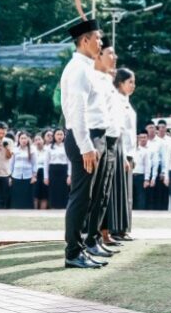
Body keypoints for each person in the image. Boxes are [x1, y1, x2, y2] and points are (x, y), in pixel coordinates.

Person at [60, 18, 108, 269]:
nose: (101, 42)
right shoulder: (78, 68)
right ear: (85, 40)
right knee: (80, 198)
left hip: (90, 138)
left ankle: (81, 249)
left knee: (88, 198)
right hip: (83, 139)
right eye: (98, 38)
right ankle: (72, 253)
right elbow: (77, 113)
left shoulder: (86, 66)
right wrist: (87, 146)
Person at [85, 35, 121, 257]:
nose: (114, 57)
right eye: (110, 53)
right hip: (100, 138)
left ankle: (95, 236)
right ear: (99, 56)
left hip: (111, 139)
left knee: (104, 193)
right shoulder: (93, 78)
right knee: (95, 193)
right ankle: (88, 239)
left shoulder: (107, 80)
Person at [105, 67, 135, 243]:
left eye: (133, 82)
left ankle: (123, 228)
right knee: (118, 192)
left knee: (127, 194)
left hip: (128, 151)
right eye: (129, 82)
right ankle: (116, 228)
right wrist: (123, 156)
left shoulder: (126, 100)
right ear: (119, 83)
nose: (133, 85)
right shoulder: (116, 100)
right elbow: (118, 130)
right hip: (119, 149)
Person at [45, 129, 71, 209]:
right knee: (53, 190)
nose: (59, 136)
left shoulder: (67, 146)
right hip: (53, 170)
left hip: (63, 170)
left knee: (64, 190)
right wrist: (46, 177)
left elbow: (70, 162)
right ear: (54, 136)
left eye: (61, 134)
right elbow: (46, 163)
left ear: (64, 136)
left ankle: (64, 207)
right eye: (57, 134)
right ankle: (53, 207)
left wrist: (69, 175)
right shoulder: (49, 147)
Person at [9, 132, 36, 209]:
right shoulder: (15, 150)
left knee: (27, 196)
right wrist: (10, 177)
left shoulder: (32, 150)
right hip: (16, 176)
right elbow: (11, 164)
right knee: (17, 195)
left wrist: (34, 176)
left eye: (25, 138)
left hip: (28, 176)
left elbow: (34, 164)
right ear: (19, 140)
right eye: (22, 138)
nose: (24, 140)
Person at [132, 131, 152, 210]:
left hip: (140, 176)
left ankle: (141, 212)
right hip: (130, 176)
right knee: (130, 196)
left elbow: (147, 166)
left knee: (141, 196)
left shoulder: (144, 151)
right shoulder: (128, 151)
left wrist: (146, 179)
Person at [32, 134, 49, 210]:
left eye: (39, 139)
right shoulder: (32, 150)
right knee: (35, 194)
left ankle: (43, 212)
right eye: (36, 140)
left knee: (44, 195)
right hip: (35, 173)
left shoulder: (48, 150)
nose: (38, 141)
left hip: (44, 173)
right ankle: (35, 211)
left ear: (43, 140)